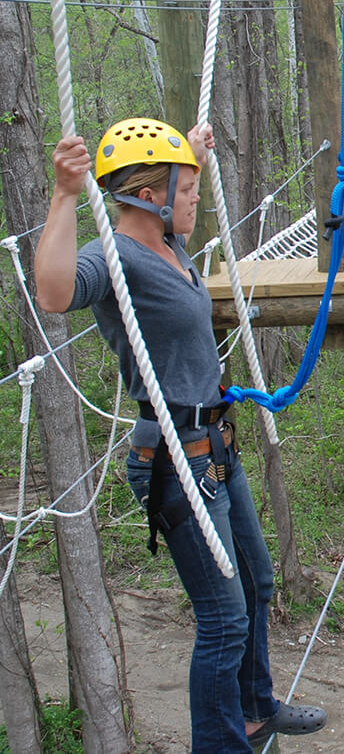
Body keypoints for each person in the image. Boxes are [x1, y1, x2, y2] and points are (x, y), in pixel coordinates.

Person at [34, 119, 328, 751]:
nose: (199, 198)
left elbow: (172, 187)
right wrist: (63, 194)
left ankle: (252, 710)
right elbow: (55, 293)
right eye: (188, 190)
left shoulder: (170, 242)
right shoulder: (116, 257)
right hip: (174, 457)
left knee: (257, 583)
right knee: (222, 618)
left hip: (215, 445)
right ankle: (220, 745)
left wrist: (185, 157)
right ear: (149, 194)